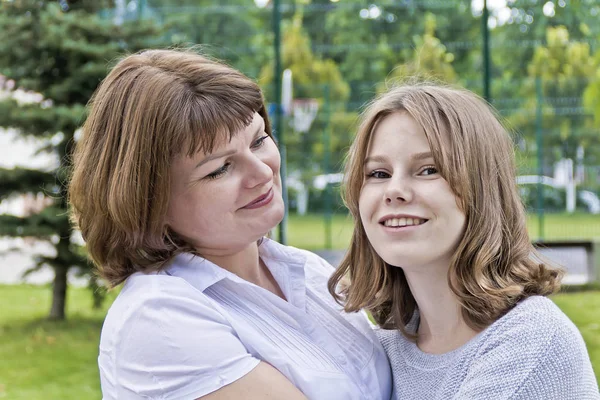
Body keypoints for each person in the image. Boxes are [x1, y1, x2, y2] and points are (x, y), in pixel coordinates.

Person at [68, 49, 392, 400]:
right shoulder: (160, 318)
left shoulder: (306, 272)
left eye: (259, 140)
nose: (262, 171)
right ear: (148, 201)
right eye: (219, 169)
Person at [328, 83, 600, 399]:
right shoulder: (381, 350)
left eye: (428, 170)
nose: (394, 190)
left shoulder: (531, 341)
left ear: (482, 189)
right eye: (378, 174)